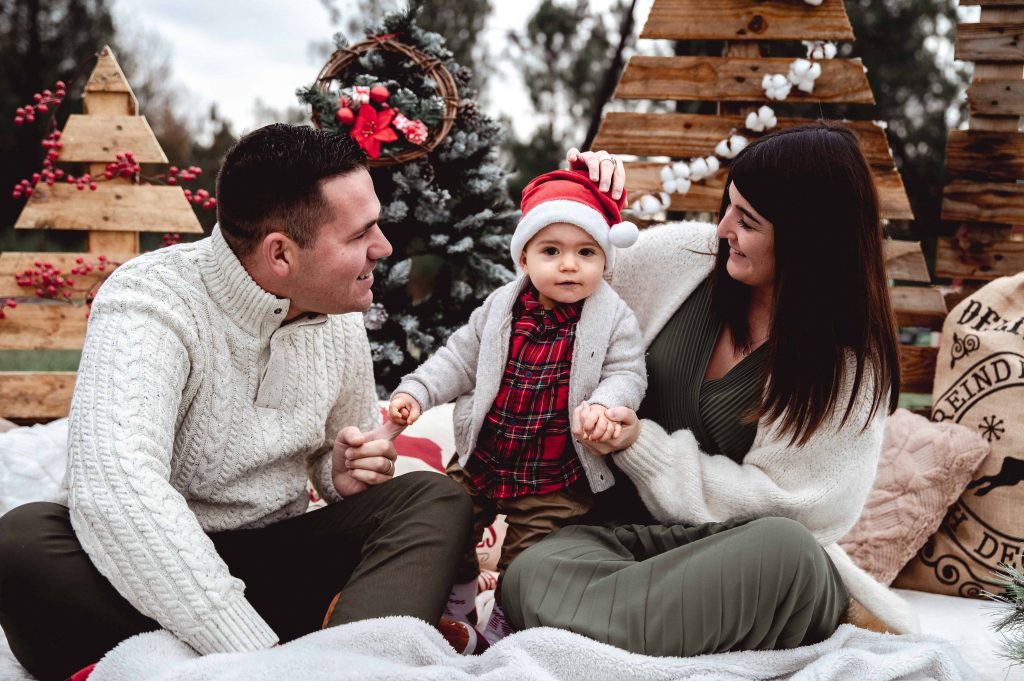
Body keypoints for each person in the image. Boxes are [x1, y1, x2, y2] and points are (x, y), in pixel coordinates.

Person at [0, 124, 476, 681]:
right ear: (281, 254)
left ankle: (330, 663)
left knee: (432, 498)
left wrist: (339, 473)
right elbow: (117, 489)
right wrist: (258, 660)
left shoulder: (340, 315)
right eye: (360, 234)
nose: (384, 248)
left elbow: (331, 460)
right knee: (23, 541)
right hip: (142, 574)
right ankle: (340, 663)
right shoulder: (149, 298)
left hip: (274, 563)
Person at [502, 122, 921, 658]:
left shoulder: (850, 369)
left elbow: (796, 514)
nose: (723, 228)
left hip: (743, 561)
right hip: (626, 544)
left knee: (784, 549)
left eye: (747, 221)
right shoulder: (684, 259)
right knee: (532, 572)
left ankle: (606, 632)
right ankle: (637, 634)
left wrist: (640, 448)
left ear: (808, 238)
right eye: (729, 206)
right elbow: (527, 307)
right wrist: (575, 209)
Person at [387, 165, 647, 648]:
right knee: (449, 522)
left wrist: (607, 405)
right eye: (552, 251)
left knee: (530, 557)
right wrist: (416, 392)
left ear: (604, 261)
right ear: (525, 258)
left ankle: (506, 625)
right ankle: (458, 601)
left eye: (586, 252)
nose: (569, 265)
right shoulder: (500, 308)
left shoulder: (613, 318)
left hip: (556, 470)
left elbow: (627, 373)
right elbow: (457, 359)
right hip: (486, 454)